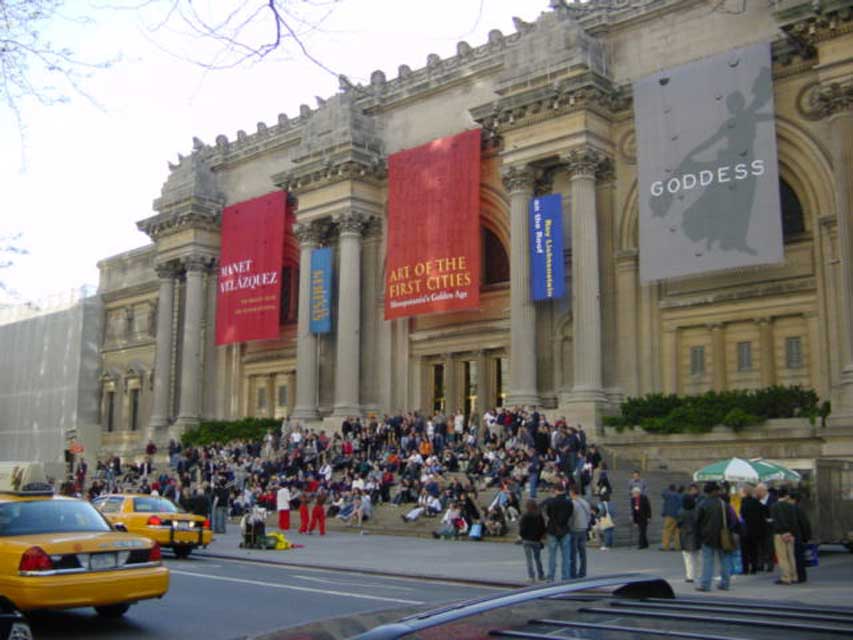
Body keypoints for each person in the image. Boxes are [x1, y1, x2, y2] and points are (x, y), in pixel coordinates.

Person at [695, 482, 731, 592]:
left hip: (707, 535)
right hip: (722, 535)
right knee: (724, 560)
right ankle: (725, 583)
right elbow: (729, 519)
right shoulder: (723, 504)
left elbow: (697, 520)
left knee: (707, 561)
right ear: (715, 491)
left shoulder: (702, 504)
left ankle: (705, 584)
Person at [542, 484, 573, 582]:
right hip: (565, 529)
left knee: (552, 555)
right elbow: (570, 515)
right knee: (566, 556)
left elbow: (548, 514)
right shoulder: (569, 503)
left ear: (555, 490)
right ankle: (566, 577)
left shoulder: (551, 502)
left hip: (552, 529)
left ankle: (551, 576)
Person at [770, 486, 800, 585]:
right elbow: (795, 522)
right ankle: (794, 576)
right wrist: (791, 533)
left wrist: (782, 532)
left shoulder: (774, 506)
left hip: (779, 534)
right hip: (791, 534)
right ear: (786, 496)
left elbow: (775, 521)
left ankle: (786, 577)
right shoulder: (791, 506)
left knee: (782, 557)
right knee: (791, 556)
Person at [739, 484, 764, 574]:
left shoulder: (743, 503)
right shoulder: (757, 503)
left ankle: (745, 569)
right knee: (754, 550)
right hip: (756, 530)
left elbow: (742, 516)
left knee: (744, 551)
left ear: (744, 493)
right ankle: (754, 568)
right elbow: (762, 515)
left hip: (745, 530)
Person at [519, 500, 546, 583]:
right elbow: (542, 527)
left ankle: (531, 576)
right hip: (536, 539)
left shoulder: (525, 516)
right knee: (538, 558)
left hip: (527, 539)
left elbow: (522, 528)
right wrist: (540, 537)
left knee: (529, 559)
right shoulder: (539, 515)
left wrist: (523, 536)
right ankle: (541, 575)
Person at [677, 494, 701, 583]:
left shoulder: (681, 512)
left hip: (685, 537)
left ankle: (690, 576)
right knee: (698, 557)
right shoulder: (697, 511)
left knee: (688, 558)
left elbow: (678, 524)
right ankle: (699, 575)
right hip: (697, 536)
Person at [569, 484, 590, 579]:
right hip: (584, 528)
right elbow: (589, 516)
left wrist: (569, 526)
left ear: (572, 492)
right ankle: (583, 572)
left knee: (573, 553)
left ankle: (573, 573)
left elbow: (571, 518)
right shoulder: (585, 503)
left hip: (574, 529)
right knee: (583, 552)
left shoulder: (573, 503)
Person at [792, 491, 812, 584]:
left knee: (797, 557)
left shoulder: (795, 509)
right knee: (800, 557)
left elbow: (803, 524)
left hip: (796, 536)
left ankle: (799, 576)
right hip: (800, 536)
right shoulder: (800, 509)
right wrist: (807, 537)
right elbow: (805, 524)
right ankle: (802, 576)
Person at [660, 484, 682, 551]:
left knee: (667, 531)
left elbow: (662, 493)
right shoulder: (679, 496)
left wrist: (666, 489)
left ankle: (666, 546)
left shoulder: (669, 495)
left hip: (669, 515)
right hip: (678, 516)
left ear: (669, 489)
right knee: (677, 532)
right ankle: (678, 547)